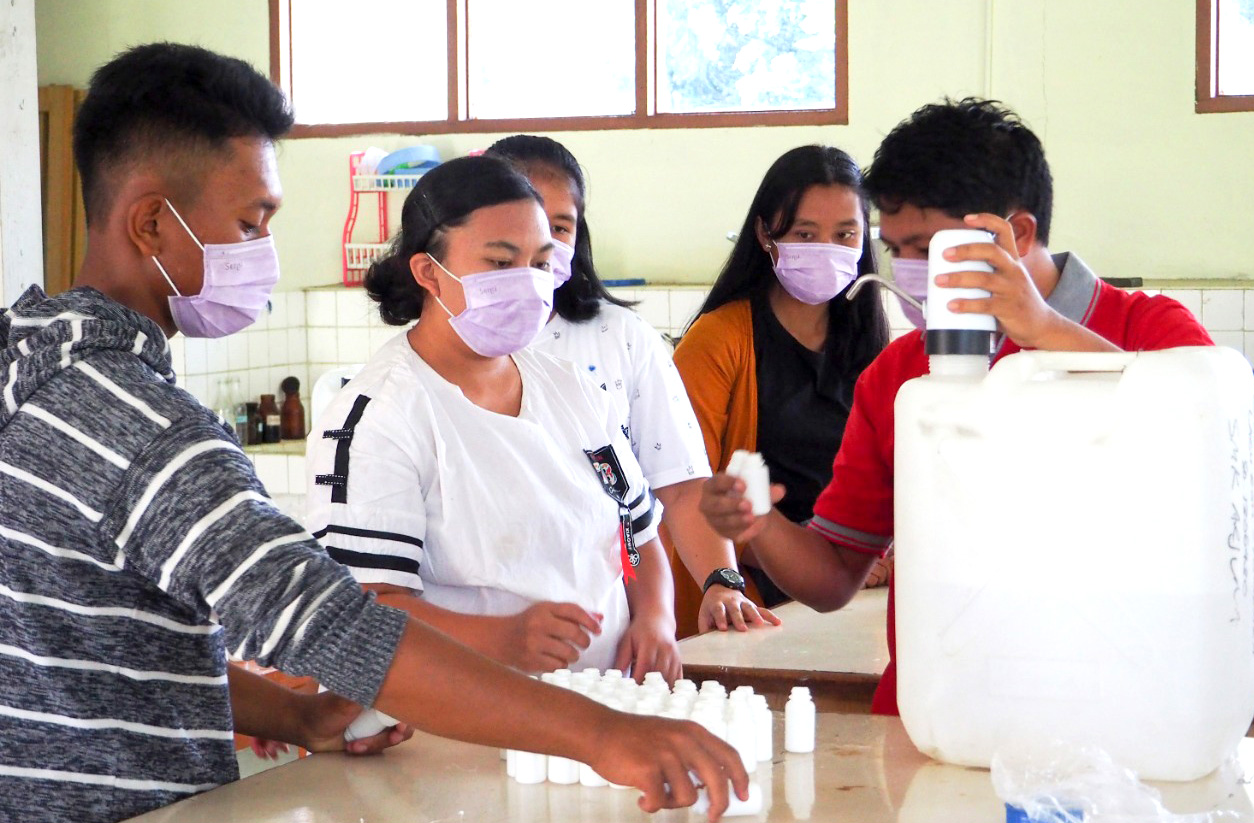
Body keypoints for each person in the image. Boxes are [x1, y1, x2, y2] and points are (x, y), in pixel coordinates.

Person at [0, 43, 745, 823]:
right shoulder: (147, 428)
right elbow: (331, 621)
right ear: (153, 220)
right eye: (251, 222)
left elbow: (102, 642)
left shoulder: (31, 366)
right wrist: (604, 736)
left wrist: (289, 714)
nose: (264, 252)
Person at [699, 98, 1214, 716]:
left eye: (925, 248)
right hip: (937, 714)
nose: (908, 272)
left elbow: (1203, 453)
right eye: (895, 250)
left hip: (1116, 710)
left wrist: (1044, 330)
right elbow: (834, 574)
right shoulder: (897, 374)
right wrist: (761, 526)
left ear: (1014, 234)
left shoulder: (1149, 331)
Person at [307, 154, 683, 682]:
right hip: (471, 726)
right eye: (500, 264)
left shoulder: (574, 389)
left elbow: (634, 537)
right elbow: (363, 609)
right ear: (427, 273)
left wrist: (656, 617)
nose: (528, 283)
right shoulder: (381, 416)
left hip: (607, 709)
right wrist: (502, 640)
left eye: (539, 263)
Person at [485, 134, 779, 637]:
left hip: (608, 631)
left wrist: (721, 581)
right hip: (478, 634)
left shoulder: (619, 339)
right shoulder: (449, 347)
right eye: (526, 223)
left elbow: (683, 486)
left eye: (560, 227)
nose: (544, 246)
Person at [672, 145, 891, 636]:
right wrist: (817, 563)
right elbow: (687, 487)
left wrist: (872, 551)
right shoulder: (718, 339)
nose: (826, 248)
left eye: (844, 234)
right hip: (750, 600)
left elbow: (883, 482)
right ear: (765, 234)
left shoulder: (873, 348)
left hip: (846, 597)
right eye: (804, 233)